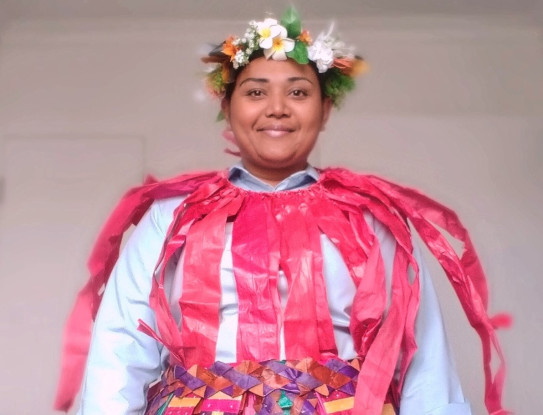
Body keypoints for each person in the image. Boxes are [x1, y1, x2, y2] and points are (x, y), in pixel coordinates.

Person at [54, 7, 509, 415]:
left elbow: (422, 355)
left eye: (297, 92)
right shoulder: (172, 216)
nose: (276, 109)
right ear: (226, 106)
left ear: (324, 108)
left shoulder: (370, 218)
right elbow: (121, 349)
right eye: (255, 92)